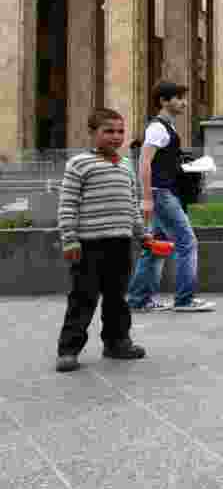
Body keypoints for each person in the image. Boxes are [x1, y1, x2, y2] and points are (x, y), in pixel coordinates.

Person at [56, 108, 152, 372]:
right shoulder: (79, 164)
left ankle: (117, 341)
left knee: (117, 298)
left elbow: (131, 205)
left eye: (120, 131)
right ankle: (68, 349)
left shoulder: (124, 164)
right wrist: (70, 239)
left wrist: (141, 234)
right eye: (108, 131)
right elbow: (67, 205)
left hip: (120, 244)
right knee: (82, 298)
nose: (115, 136)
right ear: (92, 133)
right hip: (88, 245)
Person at [126, 81, 216, 313]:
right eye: (177, 98)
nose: (184, 102)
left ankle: (138, 299)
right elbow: (145, 163)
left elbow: (159, 163)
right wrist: (146, 197)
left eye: (183, 97)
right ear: (163, 101)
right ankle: (184, 300)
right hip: (161, 194)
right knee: (187, 243)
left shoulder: (167, 127)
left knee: (156, 247)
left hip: (163, 191)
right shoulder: (157, 128)